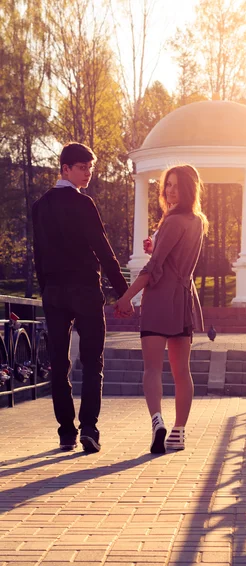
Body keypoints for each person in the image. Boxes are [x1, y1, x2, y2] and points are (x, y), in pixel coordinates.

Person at [32, 142, 131, 453]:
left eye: (91, 166)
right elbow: (103, 251)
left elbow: (39, 254)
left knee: (59, 363)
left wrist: (45, 288)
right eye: (83, 167)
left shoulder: (40, 206)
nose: (89, 172)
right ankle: (88, 427)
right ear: (66, 169)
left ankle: (65, 432)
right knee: (92, 362)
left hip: (55, 294)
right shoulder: (83, 204)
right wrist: (124, 293)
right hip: (86, 292)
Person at [115, 164, 208, 454]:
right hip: (183, 300)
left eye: (176, 185)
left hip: (158, 299)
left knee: (152, 368)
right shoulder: (197, 221)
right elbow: (174, 253)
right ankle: (178, 432)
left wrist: (125, 297)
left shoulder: (173, 221)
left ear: (189, 188)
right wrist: (156, 243)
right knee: (182, 371)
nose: (169, 190)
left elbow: (153, 268)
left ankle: (157, 421)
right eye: (167, 184)